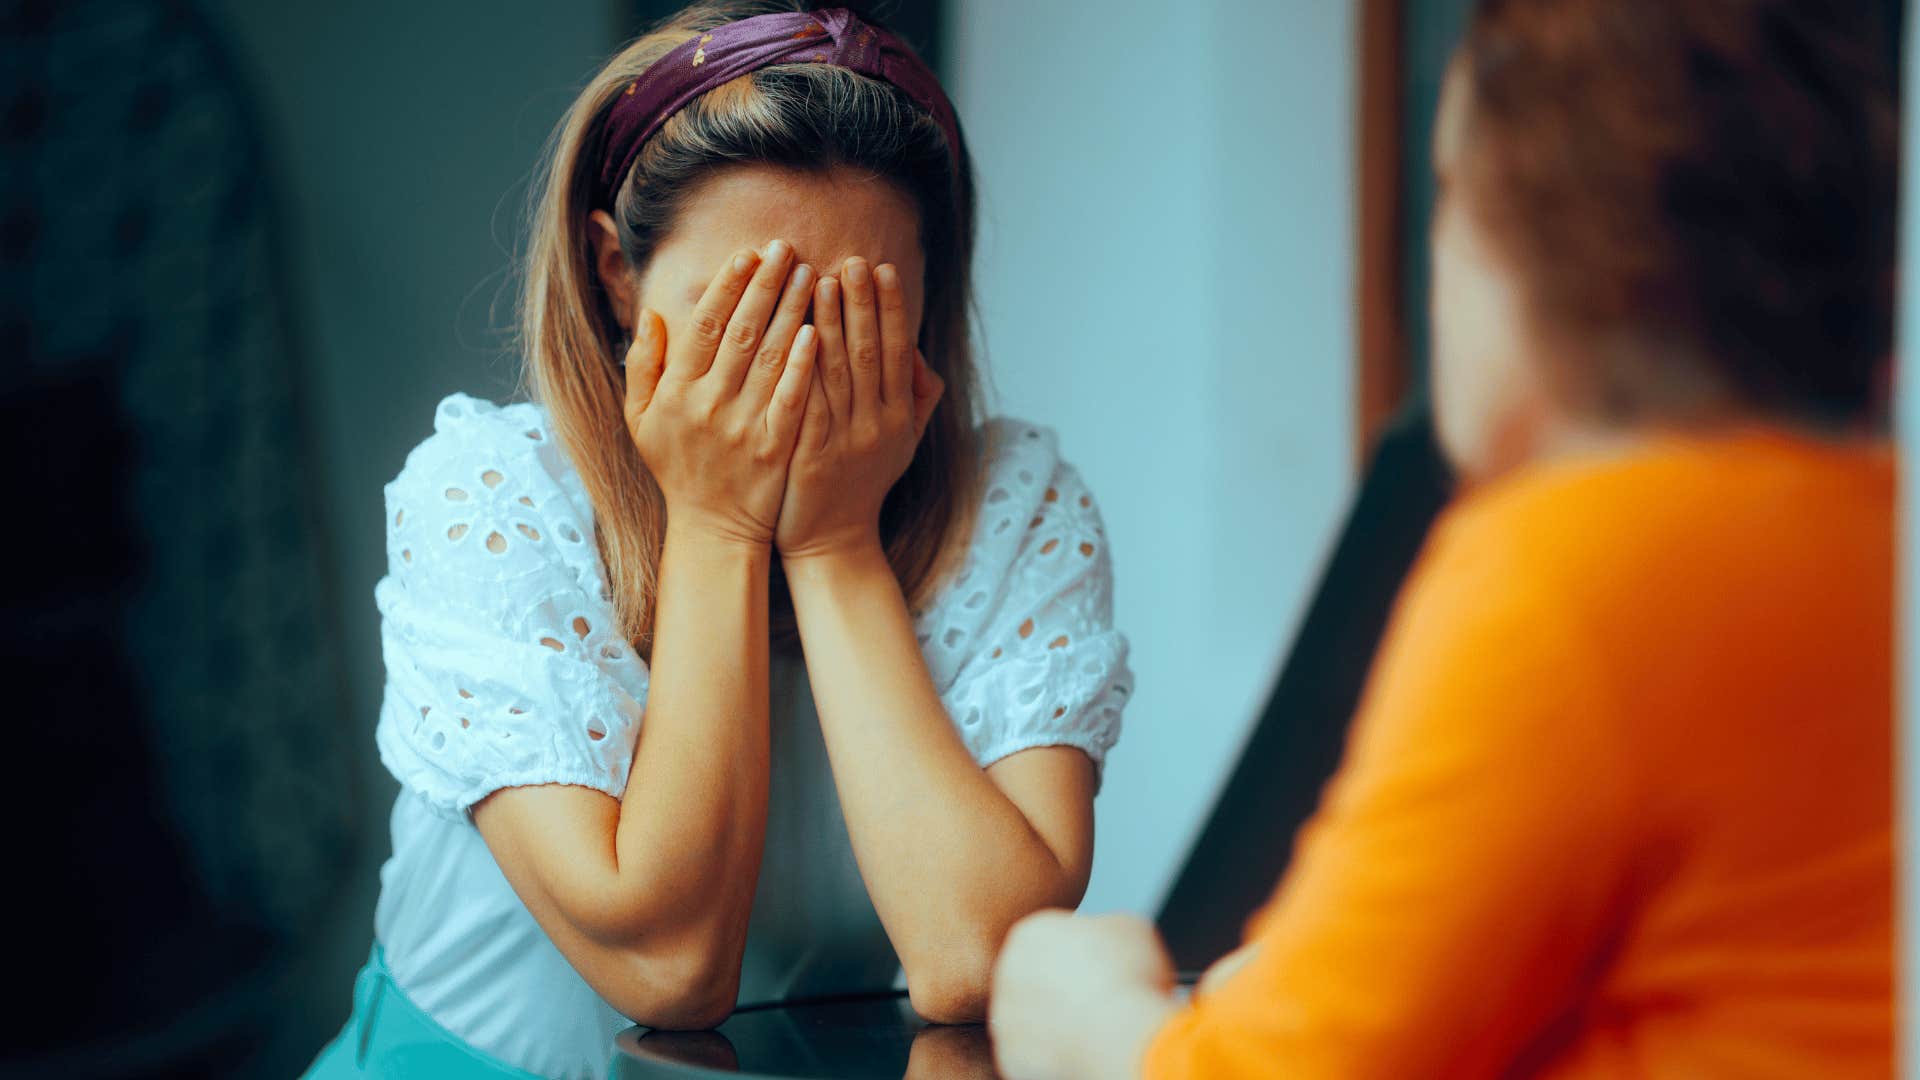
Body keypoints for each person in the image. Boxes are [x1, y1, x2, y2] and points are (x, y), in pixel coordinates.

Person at [990, 1, 1895, 1076]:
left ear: (1544, 249)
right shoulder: (1877, 532)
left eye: (1453, 200)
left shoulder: (1570, 569)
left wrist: (1081, 1010)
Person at [306, 4, 1133, 1076]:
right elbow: (668, 968)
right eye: (739, 321)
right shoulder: (494, 495)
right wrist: (718, 523)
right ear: (615, 275)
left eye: (851, 321)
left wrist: (836, 546)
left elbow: (977, 957)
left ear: (930, 302)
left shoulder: (1015, 502)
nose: (792, 376)